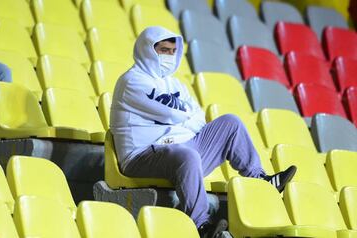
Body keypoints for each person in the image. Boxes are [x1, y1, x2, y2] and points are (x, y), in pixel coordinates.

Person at [110, 26, 296, 238]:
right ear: (147, 49)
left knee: (230, 123)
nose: (169, 56)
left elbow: (197, 116)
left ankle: (260, 179)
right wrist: (185, 120)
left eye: (172, 51)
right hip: (142, 156)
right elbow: (173, 112)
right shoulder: (132, 80)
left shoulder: (174, 83)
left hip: (181, 150)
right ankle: (202, 226)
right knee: (186, 154)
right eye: (163, 50)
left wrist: (184, 121)